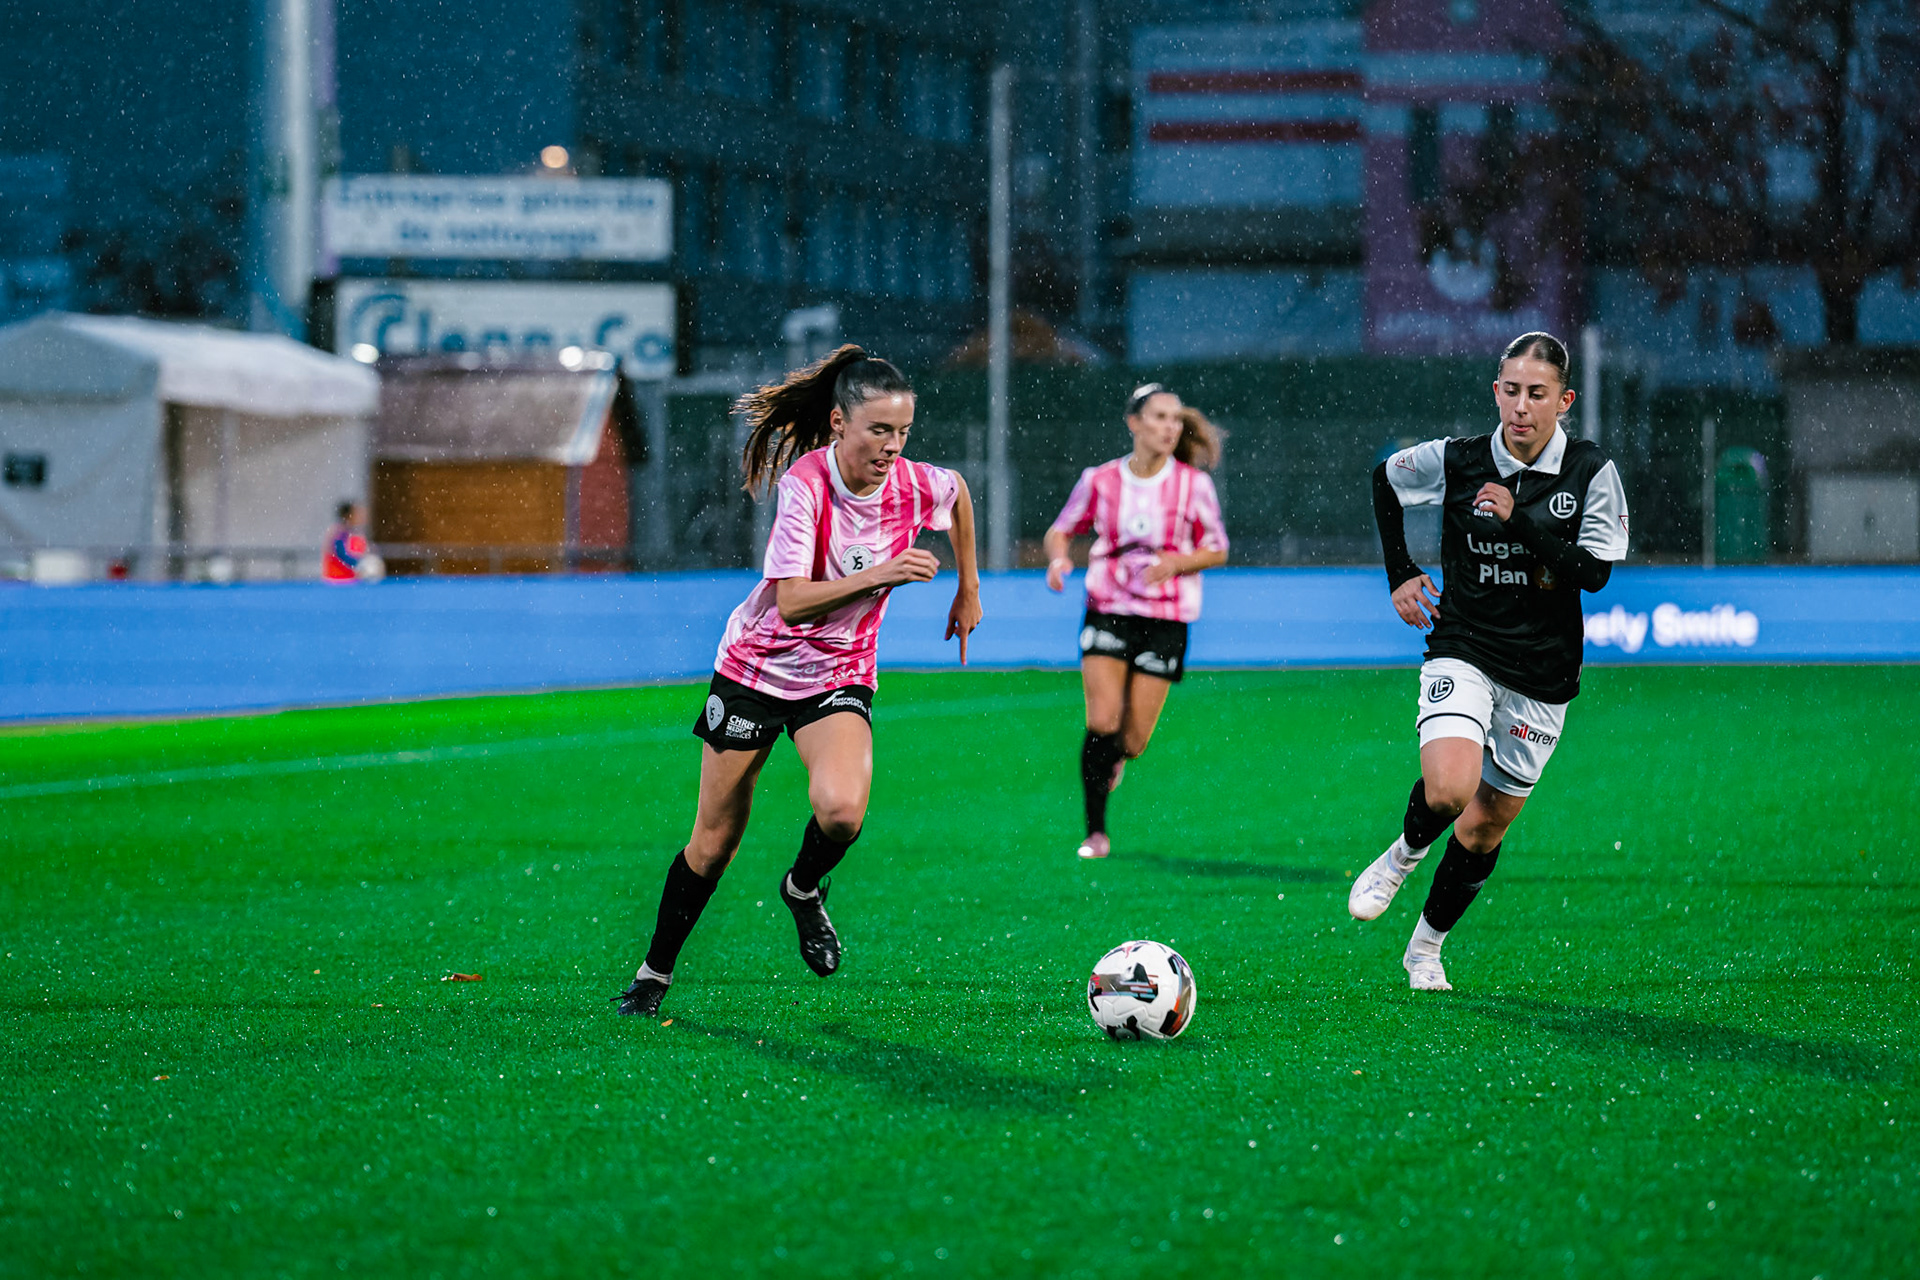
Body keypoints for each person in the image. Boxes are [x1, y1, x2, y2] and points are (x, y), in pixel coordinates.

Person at [614, 346, 982, 1017]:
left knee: (841, 811)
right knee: (713, 841)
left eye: (902, 432)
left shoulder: (913, 483)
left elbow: (956, 493)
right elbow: (790, 601)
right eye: (878, 430)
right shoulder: (806, 487)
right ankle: (654, 972)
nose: (892, 447)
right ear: (839, 423)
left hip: (837, 674)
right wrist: (882, 573)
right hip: (756, 669)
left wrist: (969, 589)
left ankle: (804, 889)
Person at [1349, 332, 1630, 990]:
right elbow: (1383, 481)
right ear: (1495, 391)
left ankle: (1425, 948)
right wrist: (1400, 573)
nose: (1522, 406)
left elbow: (1593, 574)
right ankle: (1403, 854)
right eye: (1511, 390)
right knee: (1449, 789)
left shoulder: (1590, 472)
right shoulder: (1459, 459)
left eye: (1538, 394)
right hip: (1465, 644)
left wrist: (1520, 523)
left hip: (1543, 672)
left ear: (1564, 400)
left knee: (1483, 829)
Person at [1044, 385, 1228, 860]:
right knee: (1101, 720)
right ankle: (1096, 832)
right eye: (1160, 417)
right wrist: (1059, 560)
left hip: (1166, 617)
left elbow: (1218, 548)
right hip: (1107, 606)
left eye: (1175, 419)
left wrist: (1177, 563)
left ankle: (1115, 760)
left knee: (1133, 740)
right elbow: (1062, 528)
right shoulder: (1100, 479)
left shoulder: (1193, 484)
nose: (1170, 427)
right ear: (1135, 423)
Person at [322, 501, 372, 582]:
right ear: (349, 516)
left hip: (350, 578)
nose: (361, 517)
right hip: (338, 578)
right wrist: (359, 564)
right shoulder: (339, 532)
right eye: (357, 514)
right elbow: (341, 553)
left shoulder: (355, 532)